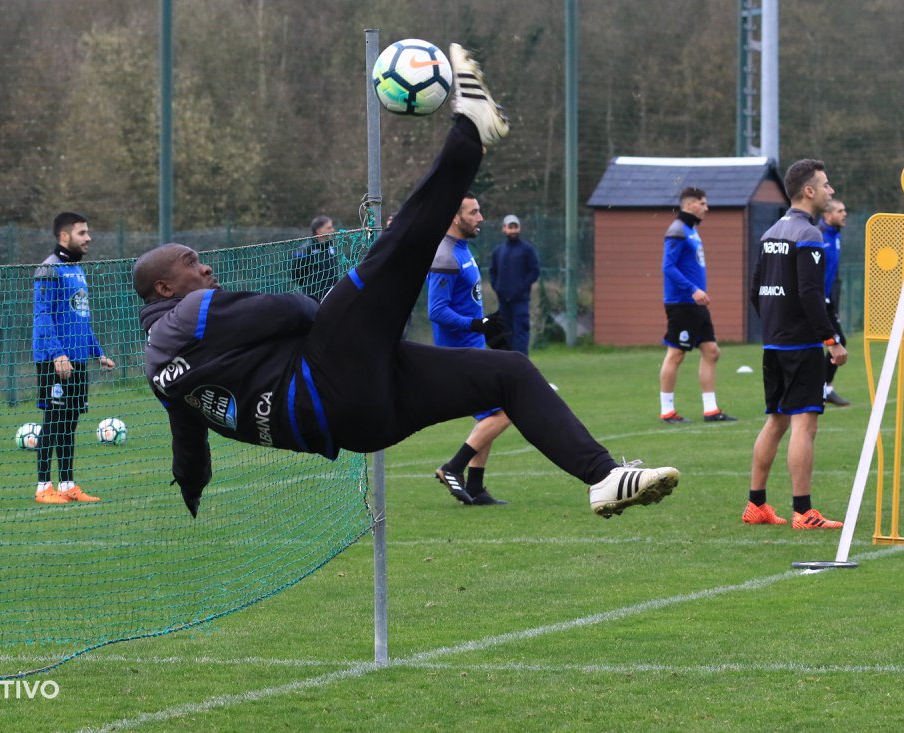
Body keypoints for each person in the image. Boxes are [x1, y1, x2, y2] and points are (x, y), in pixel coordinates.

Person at [132, 44, 679, 521]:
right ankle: (470, 130)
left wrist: (192, 487)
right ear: (164, 288)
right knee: (398, 249)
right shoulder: (190, 312)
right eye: (191, 261)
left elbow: (189, 446)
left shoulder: (159, 371)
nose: (204, 268)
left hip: (361, 425)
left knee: (507, 372)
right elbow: (295, 313)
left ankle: (603, 477)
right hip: (328, 381)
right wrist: (353, 304)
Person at [743, 159, 847, 529]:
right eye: (826, 184)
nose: (830, 191)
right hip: (801, 345)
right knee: (804, 424)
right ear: (809, 191)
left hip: (774, 343)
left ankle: (757, 505)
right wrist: (831, 340)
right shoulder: (809, 235)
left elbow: (755, 291)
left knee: (776, 421)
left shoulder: (771, 231)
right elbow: (809, 292)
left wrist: (773, 325)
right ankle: (804, 511)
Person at [427, 193, 512, 506]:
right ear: (455, 217)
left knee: (491, 413)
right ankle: (453, 468)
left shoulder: (463, 250)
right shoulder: (445, 256)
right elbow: (436, 311)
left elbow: (468, 302)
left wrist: (488, 328)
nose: (481, 217)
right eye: (474, 212)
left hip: (474, 349)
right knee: (504, 412)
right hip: (458, 355)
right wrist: (477, 326)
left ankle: (475, 487)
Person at [32, 211, 116, 504]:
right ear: (64, 236)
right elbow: (42, 315)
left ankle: (67, 484)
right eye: (82, 233)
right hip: (55, 360)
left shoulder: (77, 270)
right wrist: (58, 354)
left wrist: (98, 352)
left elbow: (81, 317)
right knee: (53, 420)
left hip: (78, 359)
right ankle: (44, 488)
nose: (88, 237)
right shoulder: (48, 269)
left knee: (69, 422)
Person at [658, 187, 737, 424]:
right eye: (702, 203)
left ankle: (711, 410)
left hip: (696, 304)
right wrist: (693, 289)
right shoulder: (677, 231)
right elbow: (668, 267)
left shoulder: (691, 230)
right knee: (676, 353)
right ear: (690, 204)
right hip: (682, 303)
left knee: (711, 352)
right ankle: (667, 410)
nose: (706, 208)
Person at [489, 214, 540, 356]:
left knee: (521, 332)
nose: (513, 230)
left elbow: (534, 271)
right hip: (503, 300)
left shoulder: (527, 249)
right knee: (506, 333)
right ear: (504, 229)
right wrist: (497, 287)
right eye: (510, 227)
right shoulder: (498, 251)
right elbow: (493, 271)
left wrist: (522, 287)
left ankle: (522, 363)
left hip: (521, 300)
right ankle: (509, 363)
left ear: (519, 229)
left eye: (515, 227)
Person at [820, 199, 850, 407]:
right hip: (816, 301)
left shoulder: (835, 235)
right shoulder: (818, 236)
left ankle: (824, 388)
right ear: (827, 216)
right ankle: (822, 389)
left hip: (827, 301)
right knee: (836, 342)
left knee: (838, 341)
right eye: (840, 211)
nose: (844, 214)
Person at [291, 215, 339, 302]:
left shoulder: (331, 246)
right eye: (329, 228)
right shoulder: (305, 249)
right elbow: (296, 274)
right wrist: (310, 287)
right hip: (312, 298)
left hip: (331, 295)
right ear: (319, 230)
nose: (333, 230)